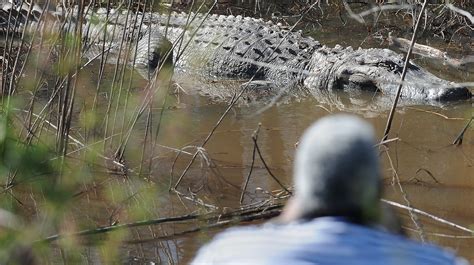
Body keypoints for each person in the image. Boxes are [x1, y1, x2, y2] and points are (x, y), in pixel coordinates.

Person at [191, 114, 467, 265]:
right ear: (378, 191)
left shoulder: (227, 253)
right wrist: (397, 233)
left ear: (298, 190)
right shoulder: (438, 262)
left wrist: (279, 224)